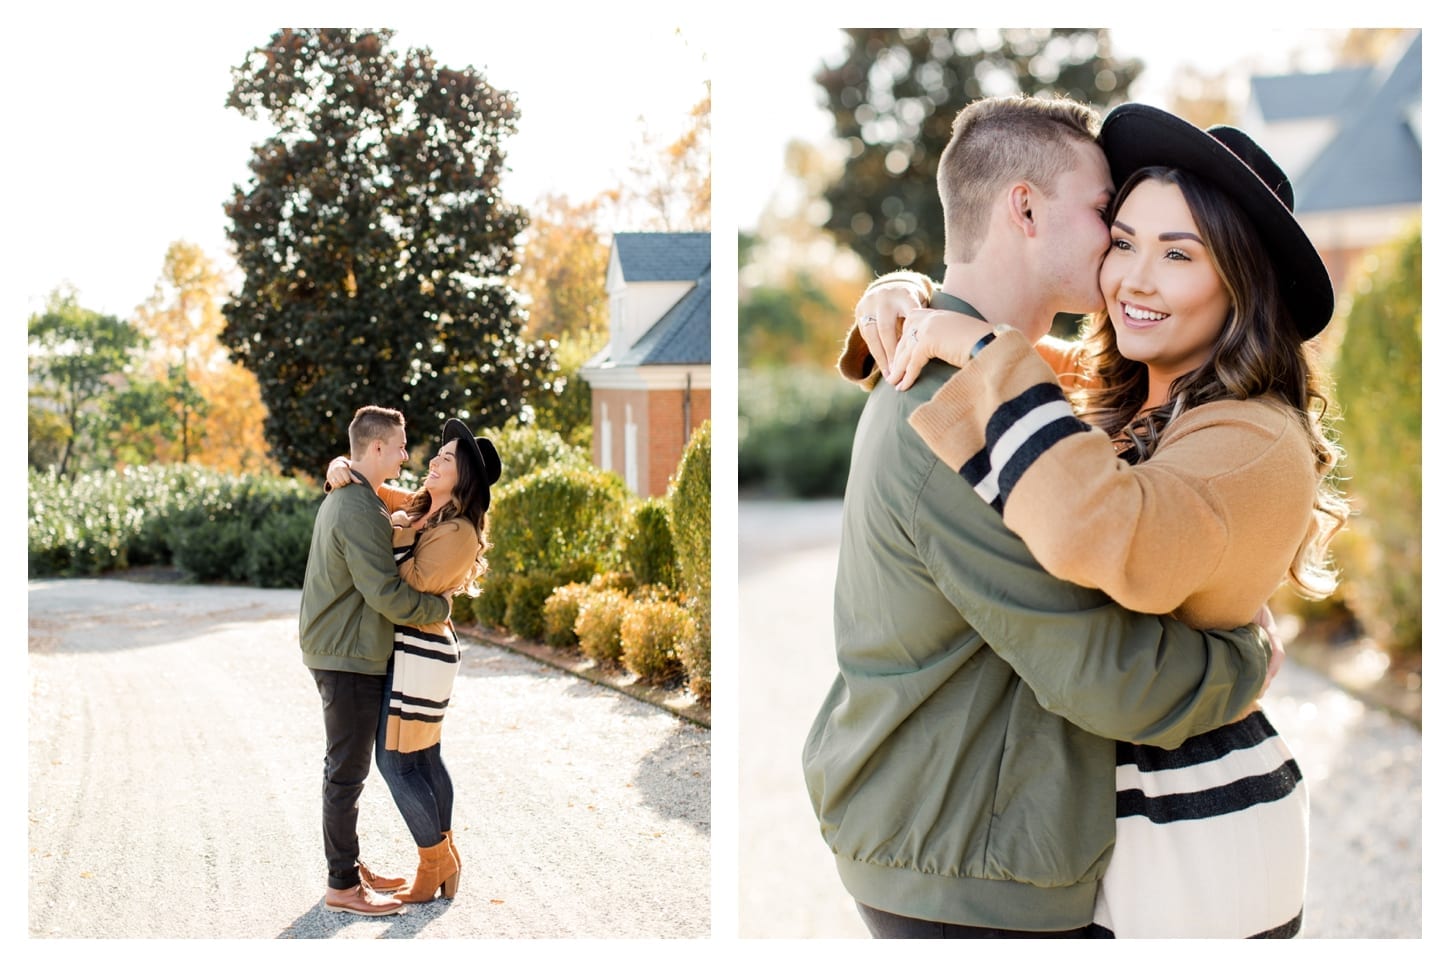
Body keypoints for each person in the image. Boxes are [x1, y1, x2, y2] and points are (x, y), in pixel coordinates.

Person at [847, 102, 1348, 937]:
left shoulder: (1256, 437)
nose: (1132, 278)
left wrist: (1243, 653)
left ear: (1240, 283)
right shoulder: (1118, 388)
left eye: (1180, 254)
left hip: (1200, 838)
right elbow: (996, 351)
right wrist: (907, 294)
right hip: (1102, 835)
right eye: (1123, 239)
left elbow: (1104, 525)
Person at [326, 417, 502, 905]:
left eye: (445, 459)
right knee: (423, 756)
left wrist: (387, 543)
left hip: (423, 650)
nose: (433, 461)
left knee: (395, 760)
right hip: (408, 646)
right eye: (437, 454)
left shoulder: (460, 532)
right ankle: (444, 858)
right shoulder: (422, 507)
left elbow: (409, 586)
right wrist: (340, 464)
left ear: (462, 477)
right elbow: (368, 490)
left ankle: (435, 858)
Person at [299, 405, 453, 917]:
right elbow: (385, 593)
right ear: (378, 448)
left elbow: (417, 506)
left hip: (344, 649)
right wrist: (440, 607)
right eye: (402, 446)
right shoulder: (358, 508)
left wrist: (338, 466)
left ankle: (349, 865)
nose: (408, 455)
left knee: (346, 770)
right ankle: (342, 885)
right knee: (345, 773)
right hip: (346, 655)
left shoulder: (356, 495)